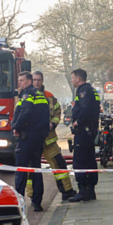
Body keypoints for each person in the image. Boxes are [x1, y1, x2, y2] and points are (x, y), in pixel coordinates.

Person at [27, 71, 77, 202]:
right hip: (32, 140)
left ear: (42, 81)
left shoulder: (49, 97)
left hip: (48, 139)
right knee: (31, 170)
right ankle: (32, 196)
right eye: (34, 80)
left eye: (39, 80)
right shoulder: (26, 95)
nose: (36, 82)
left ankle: (67, 191)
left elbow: (57, 112)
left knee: (59, 164)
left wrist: (52, 124)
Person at [12, 71, 50, 211]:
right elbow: (46, 117)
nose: (19, 83)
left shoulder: (27, 95)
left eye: (21, 80)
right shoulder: (41, 95)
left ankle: (19, 203)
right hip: (38, 139)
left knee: (21, 171)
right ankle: (37, 202)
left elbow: (25, 112)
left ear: (28, 82)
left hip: (26, 137)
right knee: (36, 170)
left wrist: (17, 127)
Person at [68, 68, 100, 203]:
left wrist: (78, 122)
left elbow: (85, 109)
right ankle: (90, 190)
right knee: (89, 159)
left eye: (72, 78)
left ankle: (82, 190)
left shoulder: (83, 91)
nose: (72, 80)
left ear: (78, 78)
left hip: (83, 131)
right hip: (90, 131)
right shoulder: (91, 90)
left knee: (79, 160)